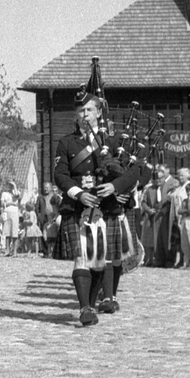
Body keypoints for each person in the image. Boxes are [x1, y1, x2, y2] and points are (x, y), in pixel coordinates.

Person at [53, 90, 121, 326]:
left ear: (99, 113)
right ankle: (85, 308)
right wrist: (79, 194)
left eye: (89, 110)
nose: (85, 115)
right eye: (81, 111)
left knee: (99, 262)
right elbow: (60, 175)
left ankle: (91, 303)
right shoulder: (67, 142)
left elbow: (128, 172)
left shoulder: (112, 143)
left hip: (105, 207)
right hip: (76, 207)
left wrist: (116, 189)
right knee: (81, 258)